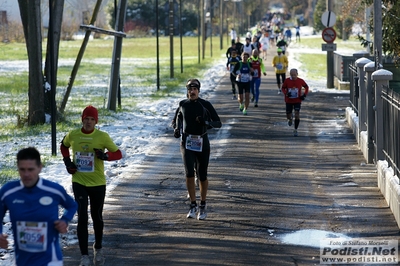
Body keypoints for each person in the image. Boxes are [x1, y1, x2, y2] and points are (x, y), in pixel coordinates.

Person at [60, 105, 123, 266]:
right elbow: (63, 145)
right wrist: (68, 162)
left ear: (96, 121)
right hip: (79, 181)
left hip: (97, 183)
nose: (88, 122)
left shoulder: (102, 136)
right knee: (82, 216)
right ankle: (84, 256)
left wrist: (105, 156)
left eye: (92, 119)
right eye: (86, 119)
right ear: (82, 120)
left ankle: (98, 248)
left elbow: (118, 153)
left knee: (97, 216)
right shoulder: (73, 135)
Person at [0, 147, 77, 266]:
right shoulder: (8, 192)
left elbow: (72, 205)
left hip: (51, 260)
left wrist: (65, 220)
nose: (26, 174)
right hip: (23, 261)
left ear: (40, 167)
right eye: (22, 169)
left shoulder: (53, 190)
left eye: (31, 169)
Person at [173, 79, 222, 220]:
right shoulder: (183, 104)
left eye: (194, 89)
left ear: (199, 91)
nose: (192, 92)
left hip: (202, 142)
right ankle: (192, 205)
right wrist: (177, 129)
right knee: (189, 173)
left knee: (202, 174)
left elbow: (218, 123)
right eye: (189, 89)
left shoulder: (205, 104)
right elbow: (177, 118)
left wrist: (206, 122)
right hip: (187, 143)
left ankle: (203, 204)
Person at [281, 68, 309, 137]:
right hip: (289, 100)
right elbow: (283, 88)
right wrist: (286, 93)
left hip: (297, 100)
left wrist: (304, 95)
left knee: (297, 114)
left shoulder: (300, 81)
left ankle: (295, 129)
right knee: (288, 115)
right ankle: (290, 119)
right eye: (291, 75)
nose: (293, 76)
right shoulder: (287, 80)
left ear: (297, 74)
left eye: (294, 75)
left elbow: (306, 87)